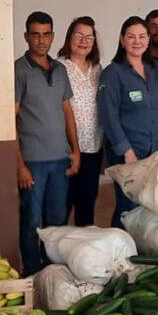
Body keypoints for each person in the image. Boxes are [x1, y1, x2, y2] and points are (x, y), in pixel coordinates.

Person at [97, 16, 158, 228]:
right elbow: (108, 116)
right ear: (122, 40)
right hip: (125, 151)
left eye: (142, 36)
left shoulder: (154, 68)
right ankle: (122, 252)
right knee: (127, 205)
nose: (137, 41)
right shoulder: (113, 73)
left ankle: (139, 250)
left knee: (146, 204)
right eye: (131, 37)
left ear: (148, 40)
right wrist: (126, 151)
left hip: (151, 149)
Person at [15, 12, 81, 274]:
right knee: (31, 219)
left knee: (57, 220)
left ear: (53, 37)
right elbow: (10, 119)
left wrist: (75, 151)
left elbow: (67, 111)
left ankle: (53, 271)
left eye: (46, 34)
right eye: (35, 34)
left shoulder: (60, 69)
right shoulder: (19, 70)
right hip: (32, 161)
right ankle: (32, 271)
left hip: (59, 159)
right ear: (26, 37)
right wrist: (19, 164)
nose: (41, 40)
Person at [57, 17, 102, 226]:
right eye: (79, 36)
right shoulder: (59, 68)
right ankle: (52, 254)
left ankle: (82, 252)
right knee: (62, 205)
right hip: (66, 148)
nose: (84, 41)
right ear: (69, 38)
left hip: (93, 147)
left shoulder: (98, 69)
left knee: (87, 204)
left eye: (89, 37)